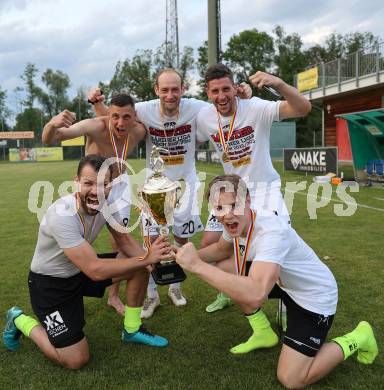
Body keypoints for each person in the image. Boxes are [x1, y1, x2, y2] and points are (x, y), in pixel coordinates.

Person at [174, 174, 378, 389]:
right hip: (283, 283)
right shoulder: (236, 222)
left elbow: (256, 293)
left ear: (249, 201)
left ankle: (359, 337)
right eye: (220, 208)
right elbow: (219, 250)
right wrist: (181, 256)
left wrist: (196, 266)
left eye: (235, 205)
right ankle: (263, 332)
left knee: (292, 379)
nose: (228, 214)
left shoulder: (272, 231)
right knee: (225, 271)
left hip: (313, 297)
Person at [88, 68, 252, 318]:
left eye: (175, 89)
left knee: (182, 239)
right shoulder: (144, 109)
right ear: (156, 90)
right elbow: (114, 118)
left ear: (183, 89)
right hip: (154, 187)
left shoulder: (196, 107)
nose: (170, 94)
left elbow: (225, 104)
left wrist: (245, 94)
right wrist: (97, 102)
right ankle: (152, 295)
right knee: (151, 243)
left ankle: (175, 287)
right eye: (164, 89)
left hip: (186, 185)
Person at [2, 155, 172, 370]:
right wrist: (146, 258)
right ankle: (19, 320)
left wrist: (154, 262)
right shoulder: (61, 214)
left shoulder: (108, 203)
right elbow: (94, 270)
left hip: (79, 270)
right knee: (75, 359)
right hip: (50, 286)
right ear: (76, 182)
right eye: (89, 183)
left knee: (138, 266)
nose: (96, 191)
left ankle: (132, 329)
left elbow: (123, 239)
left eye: (103, 184)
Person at [196, 63, 311, 313]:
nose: (221, 96)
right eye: (215, 91)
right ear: (207, 93)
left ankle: (286, 300)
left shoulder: (257, 108)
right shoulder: (204, 116)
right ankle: (229, 289)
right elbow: (184, 134)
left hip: (264, 191)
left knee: (274, 248)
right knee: (210, 244)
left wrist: (277, 83)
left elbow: (303, 108)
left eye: (226, 89)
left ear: (235, 88)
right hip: (230, 192)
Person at [42, 93, 146, 316]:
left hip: (118, 186)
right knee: (78, 232)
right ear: (108, 115)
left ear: (134, 117)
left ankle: (114, 296)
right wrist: (52, 124)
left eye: (126, 117)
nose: (120, 122)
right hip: (92, 187)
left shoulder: (138, 131)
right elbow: (51, 139)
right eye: (114, 116)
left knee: (121, 241)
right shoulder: (95, 126)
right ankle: (68, 276)